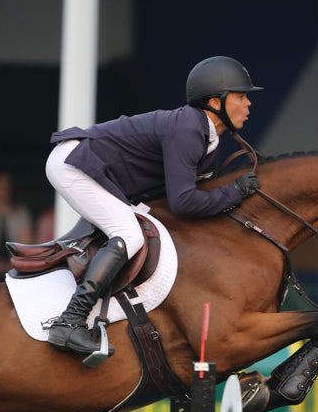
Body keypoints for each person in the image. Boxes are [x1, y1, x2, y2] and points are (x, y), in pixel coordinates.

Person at [45, 55, 263, 359]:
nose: (248, 104)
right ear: (216, 103)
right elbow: (184, 202)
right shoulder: (189, 130)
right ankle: (70, 321)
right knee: (129, 234)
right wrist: (234, 193)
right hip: (74, 164)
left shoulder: (207, 137)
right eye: (241, 96)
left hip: (99, 172)